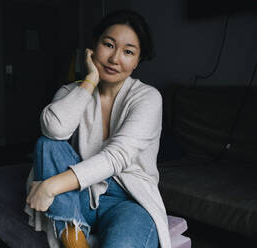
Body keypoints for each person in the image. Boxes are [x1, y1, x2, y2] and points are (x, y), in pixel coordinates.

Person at [24, 9, 171, 248]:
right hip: (78, 197)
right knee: (47, 144)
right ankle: (75, 240)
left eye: (128, 52)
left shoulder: (147, 98)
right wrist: (90, 81)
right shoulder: (72, 92)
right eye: (109, 45)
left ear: (137, 61)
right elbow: (53, 131)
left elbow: (117, 156)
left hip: (128, 201)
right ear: (94, 46)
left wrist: (50, 186)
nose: (115, 59)